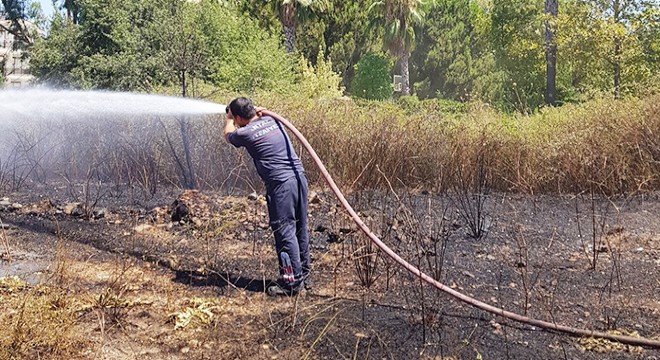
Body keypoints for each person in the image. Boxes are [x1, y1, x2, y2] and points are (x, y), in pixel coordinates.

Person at [224, 97, 311, 296]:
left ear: (239, 117)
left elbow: (228, 135)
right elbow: (259, 117)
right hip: (299, 178)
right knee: (299, 227)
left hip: (281, 185)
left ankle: (291, 283)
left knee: (284, 231)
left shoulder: (245, 132)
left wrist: (229, 119)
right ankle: (303, 276)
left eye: (236, 118)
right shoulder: (274, 120)